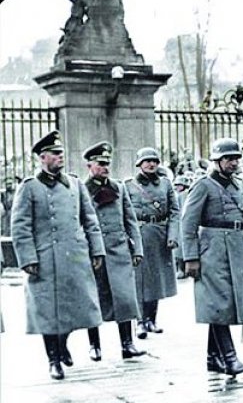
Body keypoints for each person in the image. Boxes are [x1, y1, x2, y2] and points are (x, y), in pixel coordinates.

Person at [11, 130, 105, 380]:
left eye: (61, 152)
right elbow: (20, 227)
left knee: (75, 306)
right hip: (45, 259)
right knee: (47, 311)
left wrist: (96, 250)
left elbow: (90, 220)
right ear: (42, 158)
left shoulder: (74, 184)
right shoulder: (30, 187)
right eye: (54, 153)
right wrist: (28, 258)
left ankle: (63, 345)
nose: (60, 156)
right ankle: (53, 359)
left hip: (75, 256)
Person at [181, 138, 243, 375]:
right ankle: (230, 358)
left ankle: (213, 358)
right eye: (228, 159)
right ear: (217, 160)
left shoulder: (239, 185)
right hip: (212, 249)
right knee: (218, 302)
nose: (234, 163)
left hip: (236, 246)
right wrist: (191, 257)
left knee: (226, 303)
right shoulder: (203, 186)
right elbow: (188, 223)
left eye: (236, 158)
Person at [82, 142, 147, 361]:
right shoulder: (81, 190)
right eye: (100, 164)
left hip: (119, 250)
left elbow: (131, 220)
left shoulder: (118, 188)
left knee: (125, 297)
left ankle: (127, 344)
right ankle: (95, 345)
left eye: (107, 163)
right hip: (94, 253)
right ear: (89, 166)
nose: (105, 167)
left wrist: (137, 249)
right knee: (94, 299)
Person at [125, 147, 180, 338]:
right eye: (147, 161)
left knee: (156, 280)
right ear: (139, 164)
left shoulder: (165, 184)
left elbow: (174, 212)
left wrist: (172, 235)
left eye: (154, 161)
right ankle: (140, 321)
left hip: (159, 236)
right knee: (140, 280)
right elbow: (124, 214)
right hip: (139, 235)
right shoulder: (129, 185)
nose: (151, 164)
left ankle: (151, 320)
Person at [172, 174, 192, 279]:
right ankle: (180, 269)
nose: (177, 187)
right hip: (179, 222)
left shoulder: (184, 195)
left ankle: (181, 269)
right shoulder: (177, 195)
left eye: (179, 185)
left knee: (181, 248)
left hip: (183, 222)